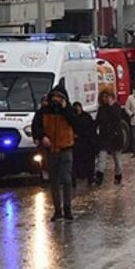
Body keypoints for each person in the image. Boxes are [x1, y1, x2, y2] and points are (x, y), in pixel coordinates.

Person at [32, 86, 76, 221]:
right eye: (55, 96)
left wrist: (66, 110)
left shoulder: (69, 111)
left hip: (66, 148)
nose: (57, 99)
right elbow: (36, 127)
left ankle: (68, 209)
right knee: (54, 181)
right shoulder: (43, 112)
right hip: (51, 150)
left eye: (60, 97)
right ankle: (58, 210)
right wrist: (42, 136)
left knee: (66, 179)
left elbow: (76, 123)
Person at [94, 90, 125, 185]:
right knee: (102, 156)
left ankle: (118, 175)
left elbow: (117, 118)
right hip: (104, 136)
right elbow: (98, 121)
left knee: (117, 159)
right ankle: (99, 176)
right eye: (103, 97)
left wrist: (111, 106)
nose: (105, 99)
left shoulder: (116, 107)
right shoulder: (101, 109)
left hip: (115, 136)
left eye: (107, 97)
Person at [70, 101, 98, 185]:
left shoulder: (86, 117)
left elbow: (91, 129)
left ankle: (90, 178)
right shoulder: (72, 118)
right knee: (75, 163)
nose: (77, 109)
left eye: (78, 107)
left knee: (88, 162)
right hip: (77, 144)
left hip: (87, 144)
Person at [124, 86, 135, 154]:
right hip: (134, 119)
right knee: (134, 137)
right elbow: (126, 108)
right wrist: (131, 114)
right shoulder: (130, 98)